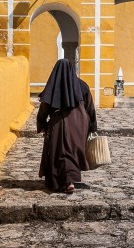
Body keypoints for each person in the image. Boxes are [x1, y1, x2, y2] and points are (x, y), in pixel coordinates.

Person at [37, 59, 97, 193]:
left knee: (60, 151)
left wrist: (42, 122)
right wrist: (92, 126)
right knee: (72, 150)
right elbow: (90, 107)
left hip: (58, 123)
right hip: (79, 124)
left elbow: (44, 107)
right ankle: (68, 180)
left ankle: (66, 182)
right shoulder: (82, 85)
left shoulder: (53, 85)